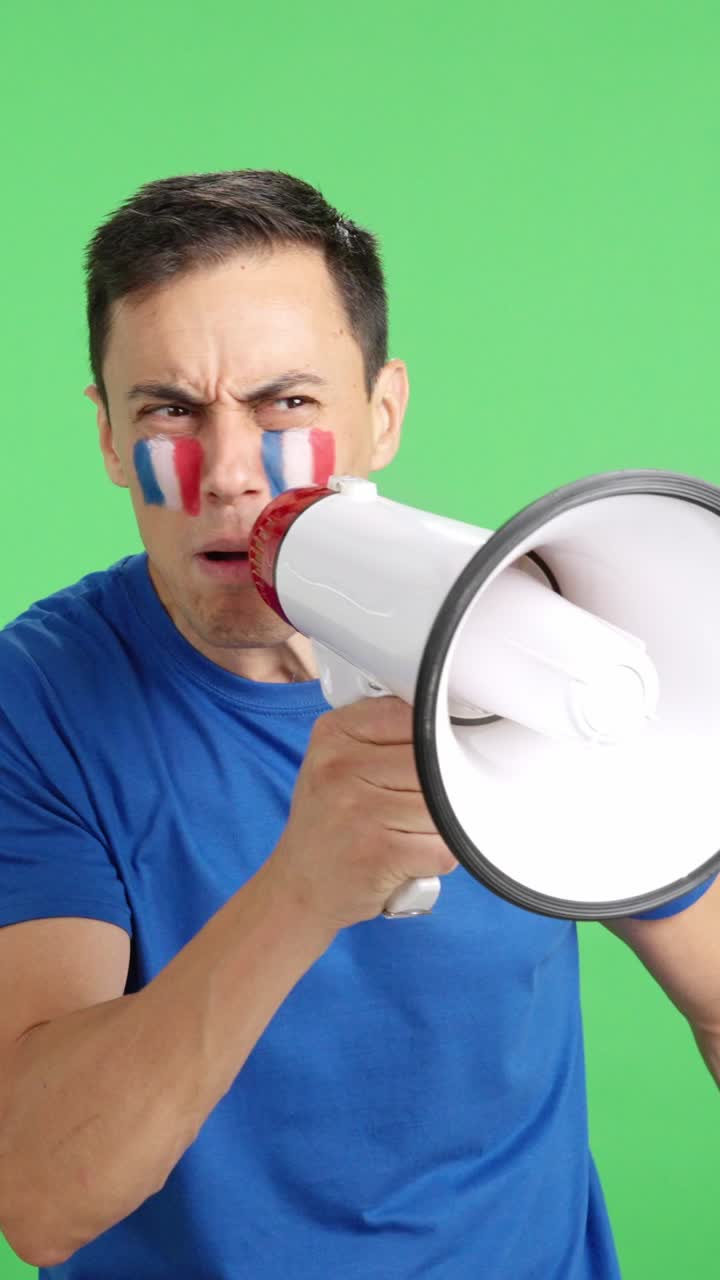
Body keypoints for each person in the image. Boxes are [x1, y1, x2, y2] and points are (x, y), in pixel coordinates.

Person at [0, 171, 716, 1280]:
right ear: (107, 435)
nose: (229, 474)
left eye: (286, 404)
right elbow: (40, 1199)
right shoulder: (40, 699)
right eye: (170, 411)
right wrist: (302, 890)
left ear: (382, 412)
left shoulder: (539, 637)